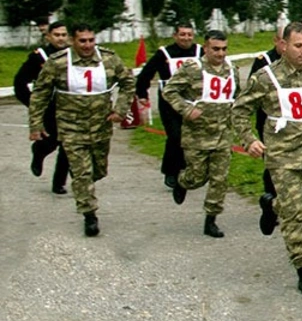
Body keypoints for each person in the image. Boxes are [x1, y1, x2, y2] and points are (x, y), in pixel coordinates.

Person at [232, 22, 302, 294]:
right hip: (284, 156)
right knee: (295, 213)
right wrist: (249, 140)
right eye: (298, 46)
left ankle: (278, 209)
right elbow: (239, 110)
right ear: (283, 46)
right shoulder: (266, 77)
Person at [28, 23, 135, 237]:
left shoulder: (109, 59)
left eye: (90, 40)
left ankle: (85, 185)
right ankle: (89, 215)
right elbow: (40, 93)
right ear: (72, 41)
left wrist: (121, 110)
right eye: (82, 41)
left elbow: (128, 82)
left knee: (98, 170)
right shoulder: (58, 62)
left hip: (100, 126)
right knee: (82, 173)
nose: (87, 45)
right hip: (71, 127)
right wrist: (36, 124)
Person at [161, 30, 240, 238]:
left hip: (223, 134)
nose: (220, 54)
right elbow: (169, 91)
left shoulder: (232, 69)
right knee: (197, 177)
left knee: (219, 179)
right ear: (205, 48)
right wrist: (186, 109)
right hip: (197, 135)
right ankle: (182, 182)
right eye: (216, 49)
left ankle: (211, 219)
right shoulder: (192, 69)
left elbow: (238, 96)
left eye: (224, 49)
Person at [136, 23, 202, 188]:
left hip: (193, 100)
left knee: (192, 137)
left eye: (189, 34)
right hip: (169, 102)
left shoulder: (199, 51)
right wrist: (142, 94)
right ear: (175, 36)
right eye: (182, 34)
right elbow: (146, 74)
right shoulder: (164, 53)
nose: (186, 38)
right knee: (175, 136)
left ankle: (188, 169)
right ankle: (170, 171)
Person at [14, 20, 71, 193]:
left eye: (64, 35)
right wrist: (34, 104)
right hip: (49, 107)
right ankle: (39, 152)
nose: (60, 38)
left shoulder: (75, 55)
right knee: (51, 141)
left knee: (68, 145)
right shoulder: (39, 57)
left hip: (71, 107)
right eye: (56, 35)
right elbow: (19, 83)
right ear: (48, 37)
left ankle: (59, 183)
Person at [249, 24, 286, 235]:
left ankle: (275, 204)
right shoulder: (264, 61)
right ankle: (271, 198)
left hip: (296, 124)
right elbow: (252, 94)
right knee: (273, 166)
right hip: (269, 122)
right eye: (283, 42)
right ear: (276, 41)